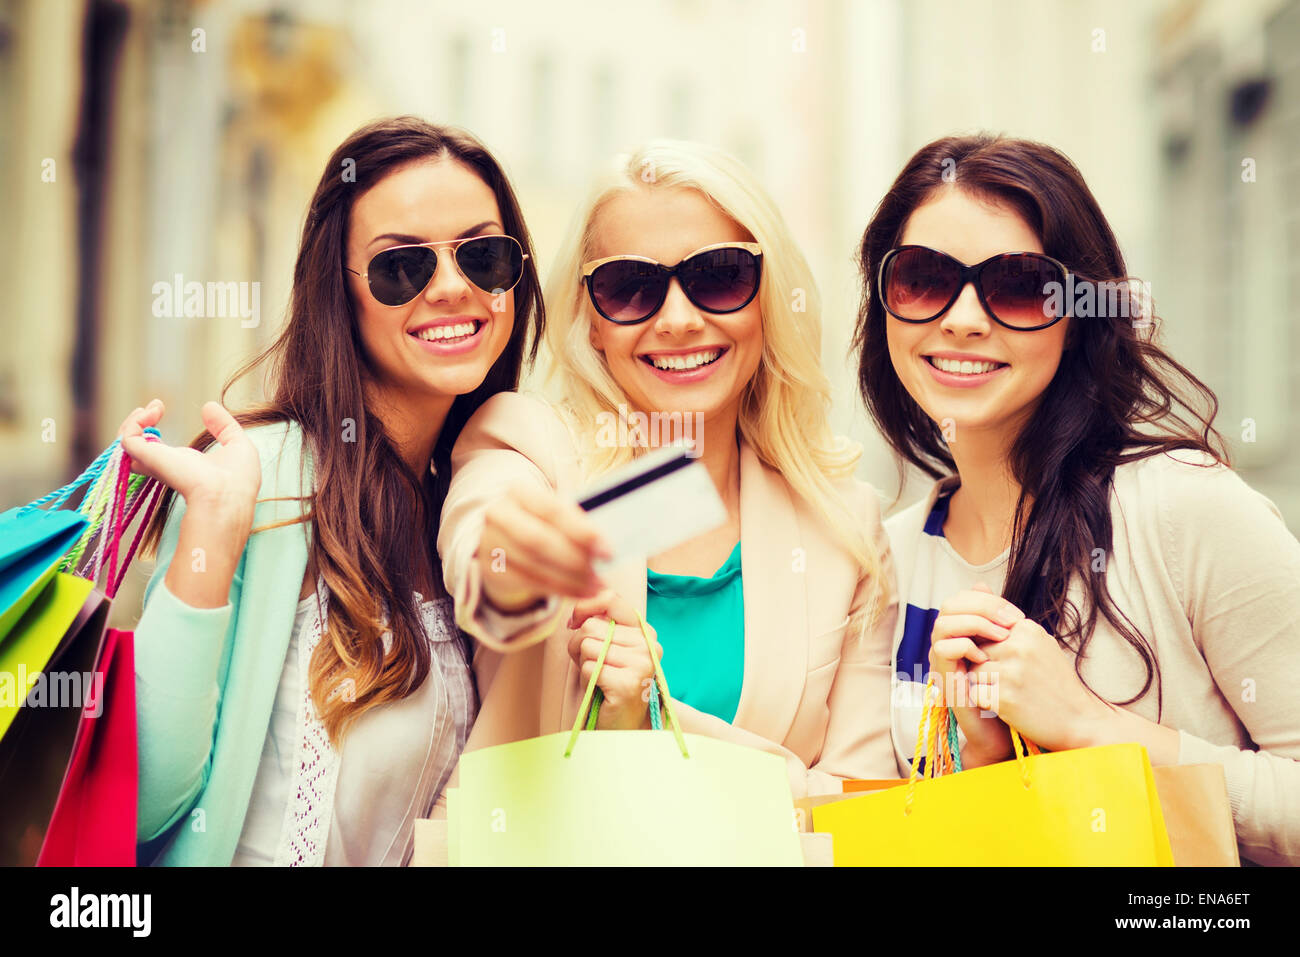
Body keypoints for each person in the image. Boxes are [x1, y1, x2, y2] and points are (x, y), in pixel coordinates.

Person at [854, 133, 1300, 866]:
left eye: (1020, 285)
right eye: (925, 278)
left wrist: (1088, 726)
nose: (964, 318)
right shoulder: (884, 558)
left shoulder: (1185, 510)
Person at [121, 116, 544, 865]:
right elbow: (143, 799)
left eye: (481, 255)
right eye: (400, 267)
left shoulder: (462, 508)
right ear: (338, 294)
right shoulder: (264, 475)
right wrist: (213, 534)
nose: (452, 288)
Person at [436, 140, 897, 805]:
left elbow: (863, 809)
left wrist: (655, 723)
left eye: (719, 276)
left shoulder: (844, 528)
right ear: (591, 320)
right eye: (631, 288)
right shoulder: (530, 444)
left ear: (768, 300)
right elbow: (484, 567)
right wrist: (512, 559)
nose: (679, 320)